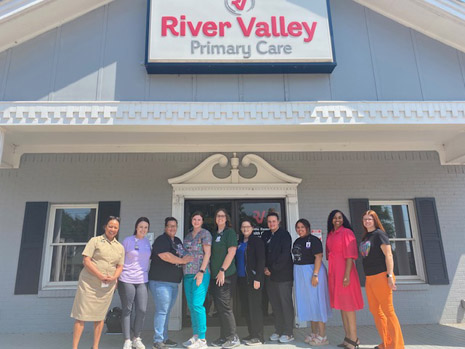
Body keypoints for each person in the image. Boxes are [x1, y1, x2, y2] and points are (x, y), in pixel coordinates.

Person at [71, 216, 125, 349]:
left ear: (118, 230)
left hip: (106, 287)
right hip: (88, 284)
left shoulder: (120, 247)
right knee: (81, 316)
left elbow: (120, 266)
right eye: (110, 226)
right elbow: (86, 260)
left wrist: (114, 278)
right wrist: (100, 275)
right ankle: (74, 347)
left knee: (100, 317)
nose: (112, 229)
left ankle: (95, 346)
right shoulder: (95, 241)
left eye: (115, 227)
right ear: (105, 227)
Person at [360, 210, 405, 349]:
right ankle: (386, 342)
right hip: (370, 278)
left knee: (388, 311)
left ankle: (397, 346)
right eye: (365, 219)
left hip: (381, 276)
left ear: (375, 221)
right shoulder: (366, 236)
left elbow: (389, 255)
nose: (367, 221)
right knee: (375, 311)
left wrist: (390, 276)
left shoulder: (380, 234)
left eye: (370, 219)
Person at [149, 217, 193, 349]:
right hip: (160, 282)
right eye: (169, 226)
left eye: (174, 226)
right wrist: (183, 261)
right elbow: (165, 256)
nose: (172, 228)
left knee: (166, 311)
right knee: (162, 311)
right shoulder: (161, 240)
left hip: (174, 282)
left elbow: (185, 254)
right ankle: (158, 340)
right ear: (165, 227)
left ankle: (164, 337)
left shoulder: (178, 241)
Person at [326, 210, 364, 349]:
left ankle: (354, 339)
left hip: (345, 272)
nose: (337, 220)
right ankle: (348, 337)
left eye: (340, 217)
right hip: (335, 272)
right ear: (331, 220)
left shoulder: (347, 232)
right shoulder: (330, 234)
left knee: (348, 306)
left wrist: (347, 275)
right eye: (335, 218)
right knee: (342, 307)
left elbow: (350, 256)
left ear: (343, 219)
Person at [293, 218, 332, 346]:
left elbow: (318, 257)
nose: (300, 229)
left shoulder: (314, 240)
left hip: (312, 271)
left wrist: (315, 274)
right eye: (298, 227)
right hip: (301, 273)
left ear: (308, 228)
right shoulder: (297, 241)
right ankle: (314, 333)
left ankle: (322, 336)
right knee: (308, 303)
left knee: (317, 302)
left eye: (302, 227)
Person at [118, 217, 152, 349]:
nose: (143, 229)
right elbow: (119, 259)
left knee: (142, 310)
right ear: (136, 227)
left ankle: (136, 337)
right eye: (141, 227)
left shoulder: (147, 242)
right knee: (127, 309)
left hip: (142, 280)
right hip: (126, 279)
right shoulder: (127, 241)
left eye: (146, 227)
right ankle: (127, 339)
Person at [262, 212, 295, 343]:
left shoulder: (284, 235)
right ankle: (279, 330)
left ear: (278, 221)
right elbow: (263, 253)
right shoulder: (265, 235)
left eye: (273, 221)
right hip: (269, 276)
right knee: (275, 304)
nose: (271, 223)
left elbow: (285, 255)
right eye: (269, 221)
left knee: (285, 304)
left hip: (283, 276)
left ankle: (288, 332)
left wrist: (272, 269)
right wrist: (264, 267)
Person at [210, 208, 240, 349]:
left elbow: (232, 252)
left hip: (226, 276)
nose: (220, 218)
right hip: (215, 276)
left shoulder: (230, 233)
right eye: (218, 216)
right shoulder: (214, 234)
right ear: (215, 219)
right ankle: (224, 337)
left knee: (226, 307)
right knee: (220, 308)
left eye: (223, 216)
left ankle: (233, 337)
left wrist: (222, 270)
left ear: (226, 218)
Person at [182, 212, 212, 349]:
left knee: (197, 304)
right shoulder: (188, 236)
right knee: (191, 306)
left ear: (202, 221)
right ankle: (195, 336)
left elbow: (208, 253)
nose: (196, 221)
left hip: (200, 273)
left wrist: (201, 271)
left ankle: (202, 338)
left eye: (199, 219)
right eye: (194, 219)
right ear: (191, 220)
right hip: (187, 274)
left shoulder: (205, 234)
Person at [236, 219, 265, 346]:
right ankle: (251, 333)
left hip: (253, 279)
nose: (245, 228)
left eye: (248, 226)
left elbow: (261, 260)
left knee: (255, 308)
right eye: (243, 227)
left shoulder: (257, 241)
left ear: (252, 228)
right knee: (247, 308)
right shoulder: (240, 242)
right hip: (242, 279)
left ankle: (258, 336)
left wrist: (258, 278)